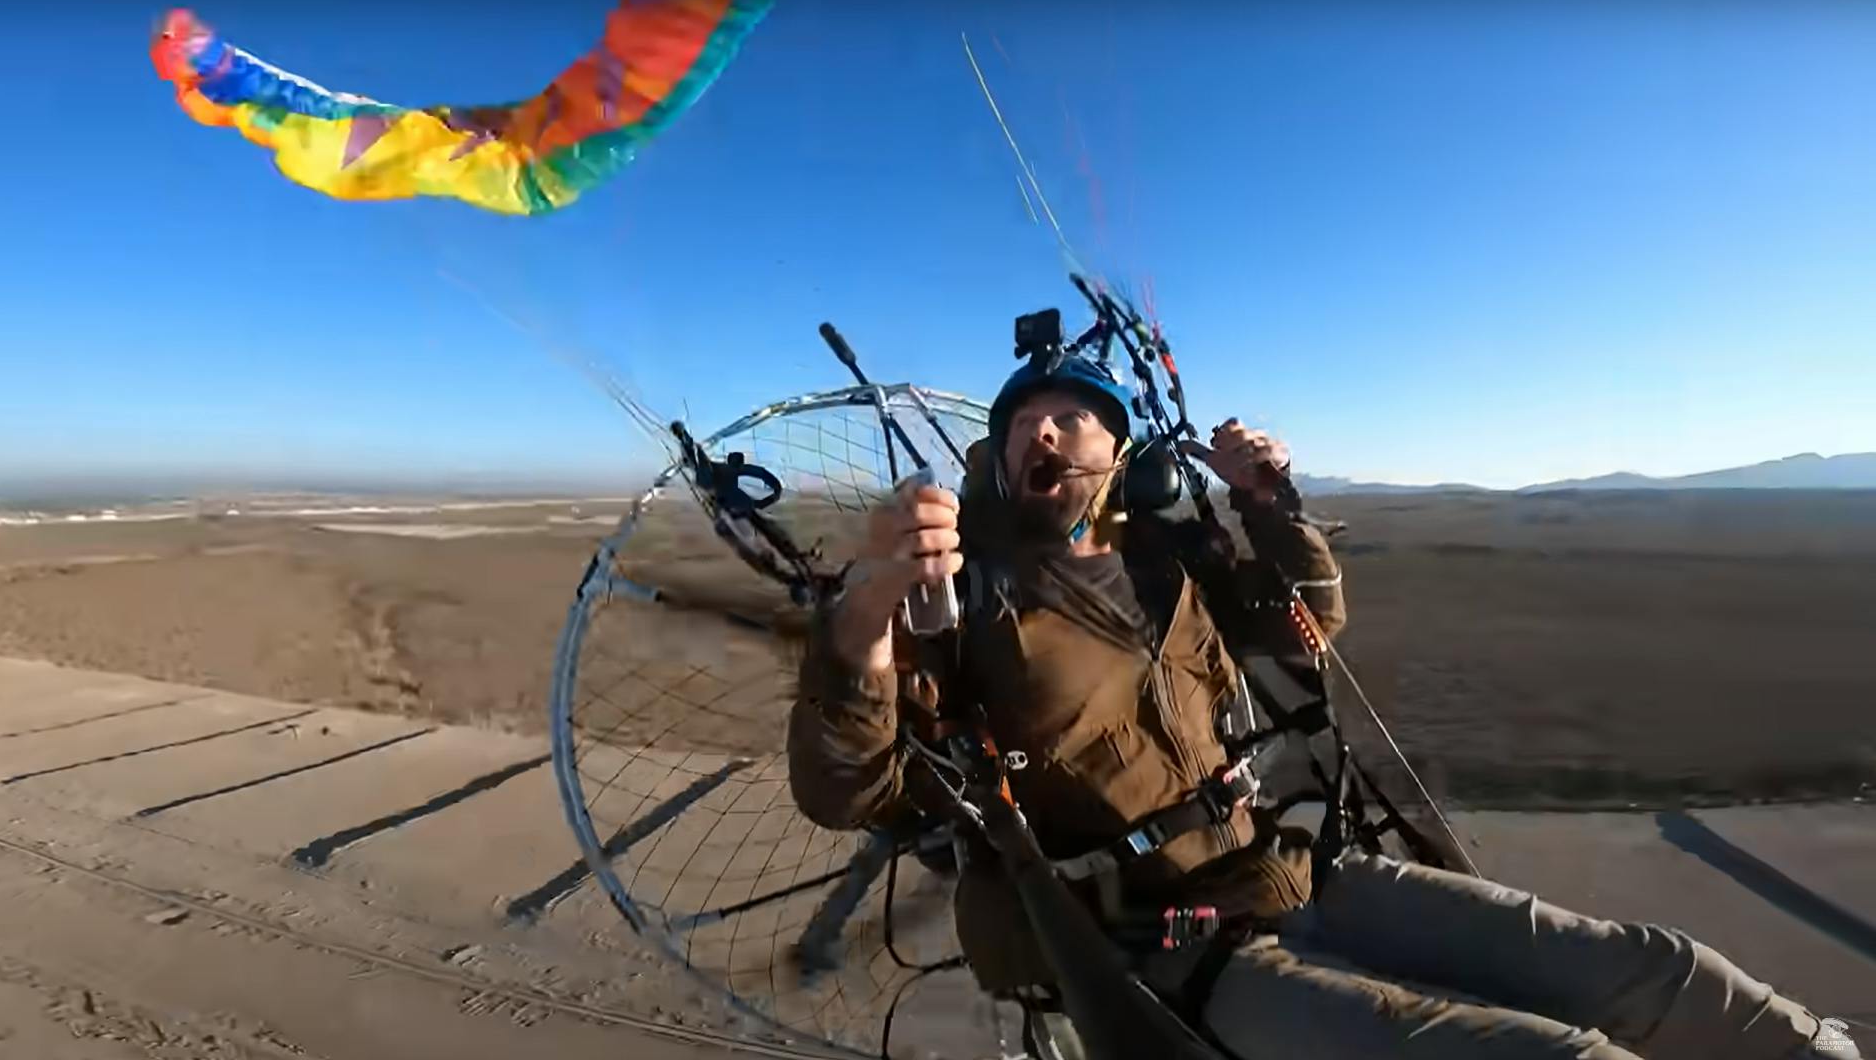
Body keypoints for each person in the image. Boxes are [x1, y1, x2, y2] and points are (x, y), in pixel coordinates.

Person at [788, 351, 1853, 1059]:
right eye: (1029, 419)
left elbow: (1309, 627)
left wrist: (1268, 501)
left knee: (1655, 967)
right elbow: (847, 786)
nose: (1049, 432)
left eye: (1075, 416)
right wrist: (865, 612)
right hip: (1163, 943)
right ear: (1001, 455)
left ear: (1118, 457)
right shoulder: (959, 598)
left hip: (1296, 869)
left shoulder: (1173, 562)